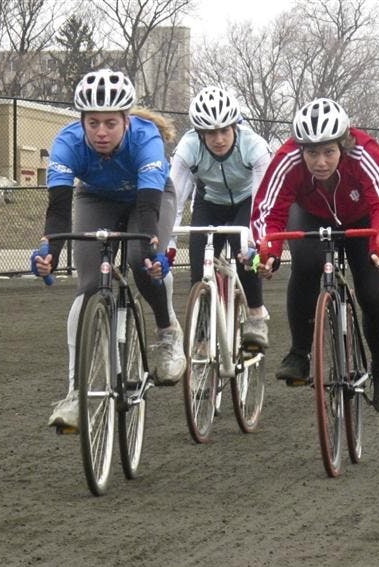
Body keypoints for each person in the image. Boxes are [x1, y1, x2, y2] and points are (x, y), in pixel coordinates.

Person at [32, 68, 186, 429]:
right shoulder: (67, 142)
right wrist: (49, 255)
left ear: (126, 121)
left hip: (148, 199)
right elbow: (57, 212)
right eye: (93, 123)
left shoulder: (146, 139)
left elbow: (148, 213)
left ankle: (167, 331)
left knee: (139, 258)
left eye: (111, 124)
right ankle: (75, 393)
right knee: (87, 288)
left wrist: (153, 251)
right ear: (82, 122)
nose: (101, 132)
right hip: (96, 198)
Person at [250, 98, 379, 413]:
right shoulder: (287, 159)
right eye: (312, 153)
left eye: (329, 152)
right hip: (311, 217)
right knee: (305, 265)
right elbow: (269, 211)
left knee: (372, 295)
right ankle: (299, 353)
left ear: (343, 147)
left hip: (362, 222)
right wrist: (268, 252)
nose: (320, 162)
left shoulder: (364, 152)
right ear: (300, 150)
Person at [168, 86, 272, 349]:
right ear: (199, 134)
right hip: (209, 201)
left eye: (224, 130)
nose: (218, 139)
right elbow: (173, 201)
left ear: (235, 126)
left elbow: (263, 203)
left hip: (247, 200)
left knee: (243, 249)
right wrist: (167, 243)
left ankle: (256, 313)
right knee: (197, 258)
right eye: (210, 133)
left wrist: (255, 242)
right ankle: (202, 338)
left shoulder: (255, 146)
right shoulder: (187, 148)